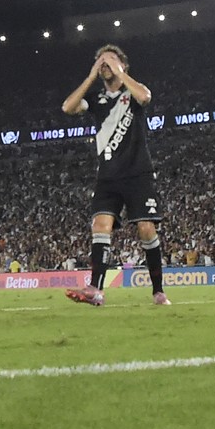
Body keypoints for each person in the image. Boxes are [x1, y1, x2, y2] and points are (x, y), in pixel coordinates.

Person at [61, 44, 171, 306]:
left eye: (110, 59)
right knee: (100, 226)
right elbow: (68, 107)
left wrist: (120, 72)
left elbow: (145, 97)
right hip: (108, 177)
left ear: (123, 65)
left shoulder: (131, 92)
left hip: (137, 173)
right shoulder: (98, 102)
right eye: (101, 61)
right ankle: (95, 289)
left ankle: (158, 291)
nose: (105, 63)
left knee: (146, 229)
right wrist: (90, 77)